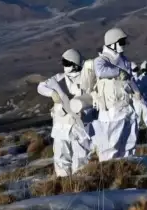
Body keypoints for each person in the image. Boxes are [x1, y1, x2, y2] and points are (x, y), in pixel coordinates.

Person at [37, 49, 95, 177]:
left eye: (66, 63)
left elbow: (92, 98)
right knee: (61, 158)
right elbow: (41, 87)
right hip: (61, 126)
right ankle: (64, 187)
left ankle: (80, 185)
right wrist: (52, 93)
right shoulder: (59, 79)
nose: (64, 66)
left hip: (80, 126)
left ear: (75, 64)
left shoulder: (87, 79)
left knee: (81, 158)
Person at [92, 27, 139, 160]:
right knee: (111, 144)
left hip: (126, 107)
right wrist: (118, 72)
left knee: (129, 140)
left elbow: (129, 79)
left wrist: (137, 93)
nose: (124, 45)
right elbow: (100, 71)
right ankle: (109, 171)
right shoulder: (102, 60)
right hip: (111, 110)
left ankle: (127, 168)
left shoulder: (124, 60)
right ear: (112, 44)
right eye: (121, 42)